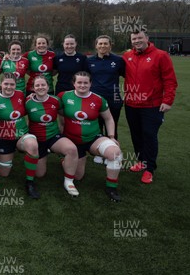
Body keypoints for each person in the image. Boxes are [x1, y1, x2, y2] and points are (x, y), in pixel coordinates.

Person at [58, 72, 123, 202]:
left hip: (93, 139)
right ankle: (68, 159)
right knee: (77, 176)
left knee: (115, 153)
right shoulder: (63, 96)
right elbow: (59, 116)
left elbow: (109, 118)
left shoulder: (99, 99)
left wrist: (111, 136)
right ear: (74, 83)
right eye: (79, 82)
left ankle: (111, 187)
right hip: (73, 142)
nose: (82, 85)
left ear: (90, 84)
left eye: (85, 83)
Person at [123, 30, 178, 184]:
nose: (137, 41)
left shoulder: (161, 55)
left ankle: (149, 169)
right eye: (134, 39)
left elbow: (170, 80)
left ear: (147, 38)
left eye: (140, 38)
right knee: (136, 134)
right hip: (131, 104)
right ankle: (141, 161)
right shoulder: (127, 56)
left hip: (152, 105)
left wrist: (167, 101)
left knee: (149, 135)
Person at [0, 73, 41, 199]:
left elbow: (28, 107)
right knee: (4, 173)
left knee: (32, 145)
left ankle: (30, 183)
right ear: (1, 84)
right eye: (6, 84)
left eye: (12, 84)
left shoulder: (21, 95)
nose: (9, 87)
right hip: (4, 137)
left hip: (21, 134)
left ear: (16, 85)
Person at [25, 76, 80, 196]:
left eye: (43, 85)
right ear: (33, 88)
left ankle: (69, 182)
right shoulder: (28, 102)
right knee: (40, 174)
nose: (40, 87)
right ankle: (45, 155)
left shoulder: (56, 100)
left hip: (53, 136)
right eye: (37, 85)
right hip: (36, 140)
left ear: (48, 86)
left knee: (71, 149)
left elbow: (62, 114)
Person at [86, 35, 125, 165]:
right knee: (97, 126)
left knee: (112, 126)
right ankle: (99, 152)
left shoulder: (118, 60)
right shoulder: (89, 61)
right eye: (100, 44)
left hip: (113, 98)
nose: (103, 46)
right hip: (95, 99)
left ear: (110, 45)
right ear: (96, 45)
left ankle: (114, 152)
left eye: (105, 44)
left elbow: (127, 76)